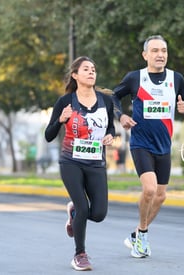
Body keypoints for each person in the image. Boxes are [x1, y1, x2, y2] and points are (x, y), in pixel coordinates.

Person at [112, 35, 184, 258]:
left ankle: (137, 233)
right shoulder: (135, 78)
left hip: (164, 144)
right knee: (149, 189)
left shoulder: (177, 79)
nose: (160, 55)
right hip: (140, 143)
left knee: (161, 196)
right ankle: (143, 236)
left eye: (164, 50)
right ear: (145, 55)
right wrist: (122, 116)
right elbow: (113, 98)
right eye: (155, 51)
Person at [45, 56, 115, 271]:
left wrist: (111, 136)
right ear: (75, 75)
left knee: (99, 214)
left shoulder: (106, 101)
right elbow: (49, 135)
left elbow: (110, 127)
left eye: (93, 69)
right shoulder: (65, 102)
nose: (91, 72)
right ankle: (80, 254)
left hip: (96, 162)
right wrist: (60, 120)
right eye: (86, 69)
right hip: (71, 162)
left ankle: (74, 212)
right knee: (84, 207)